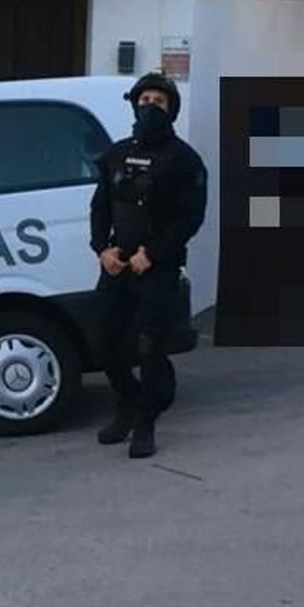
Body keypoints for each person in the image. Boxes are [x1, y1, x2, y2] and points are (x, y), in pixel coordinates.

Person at [89, 72, 208, 458]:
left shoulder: (185, 160)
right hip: (118, 264)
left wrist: (152, 254)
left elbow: (190, 219)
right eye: (145, 101)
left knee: (149, 346)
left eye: (158, 102)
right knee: (105, 341)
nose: (150, 108)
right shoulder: (116, 154)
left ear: (170, 110)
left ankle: (145, 424)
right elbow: (101, 205)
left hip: (157, 266)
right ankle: (128, 402)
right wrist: (102, 250)